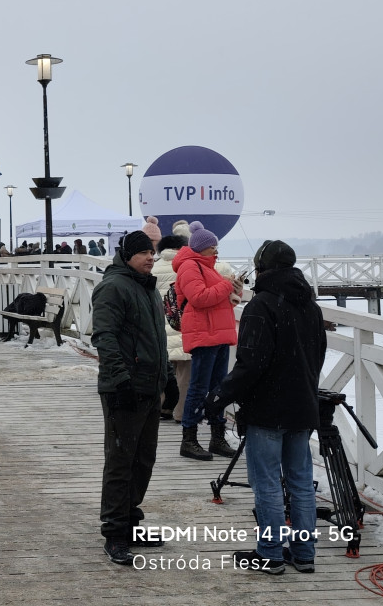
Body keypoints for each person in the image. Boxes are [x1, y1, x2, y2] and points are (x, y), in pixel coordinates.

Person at [205, 240, 325, 574]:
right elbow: (318, 358)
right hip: (302, 406)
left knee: (268, 483)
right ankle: (304, 554)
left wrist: (218, 397)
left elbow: (250, 364)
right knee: (301, 483)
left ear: (262, 268)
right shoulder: (311, 307)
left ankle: (271, 553)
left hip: (268, 410)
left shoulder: (262, 305)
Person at [92, 230, 168, 565]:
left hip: (150, 387)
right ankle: (115, 532)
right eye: (143, 253)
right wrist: (120, 380)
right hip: (124, 388)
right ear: (127, 255)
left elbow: (155, 339)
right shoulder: (114, 287)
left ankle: (131, 521)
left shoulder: (146, 286)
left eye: (151, 252)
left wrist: (165, 379)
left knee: (143, 458)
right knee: (122, 459)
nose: (151, 257)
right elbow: (104, 337)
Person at [173, 221, 243, 461]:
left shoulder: (207, 266)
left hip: (218, 333)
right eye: (212, 246)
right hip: (204, 335)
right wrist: (226, 285)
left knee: (218, 389)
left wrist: (235, 289)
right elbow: (199, 298)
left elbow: (219, 298)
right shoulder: (189, 267)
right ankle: (189, 439)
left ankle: (217, 437)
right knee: (199, 388)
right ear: (201, 247)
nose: (216, 249)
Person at [153, 231, 189, 421]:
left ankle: (161, 407)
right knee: (184, 373)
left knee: (163, 371)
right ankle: (180, 412)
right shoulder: (187, 267)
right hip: (183, 325)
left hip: (160, 326)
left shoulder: (153, 267)